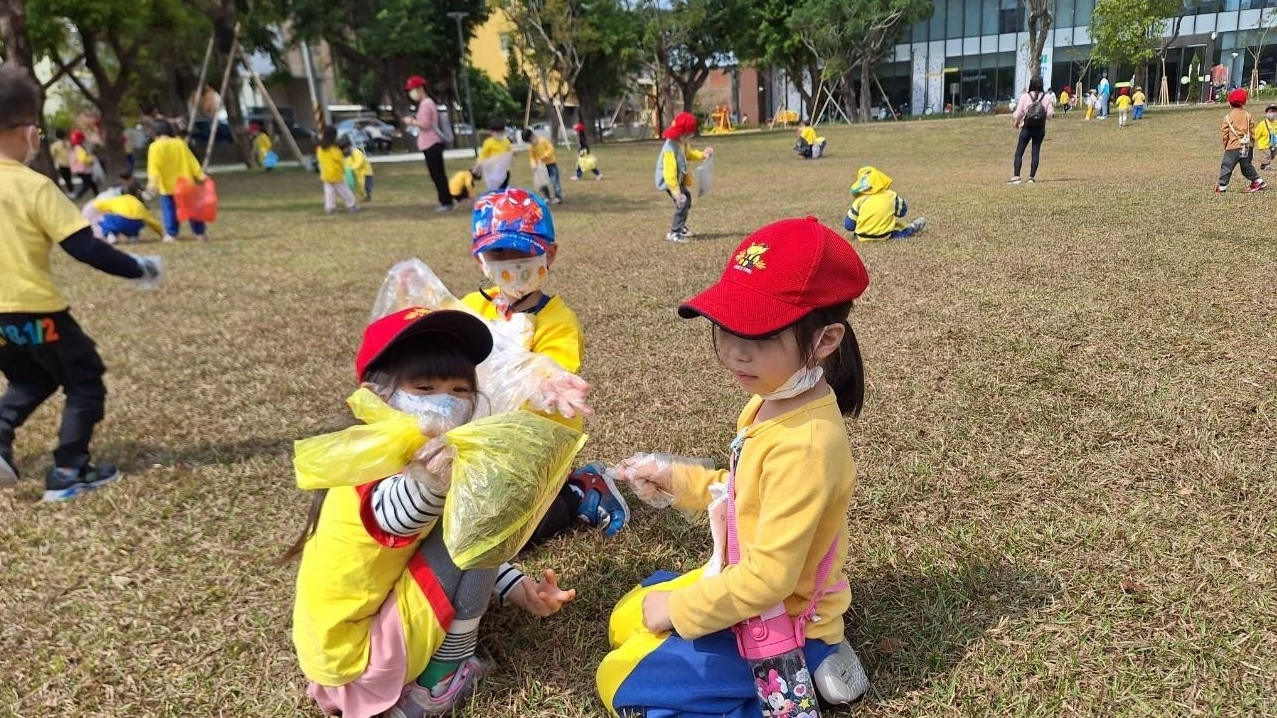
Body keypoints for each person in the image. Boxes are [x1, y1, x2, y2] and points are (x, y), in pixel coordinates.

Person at [597, 216, 873, 718]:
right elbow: (745, 492)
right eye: (726, 327)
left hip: (782, 617)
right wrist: (679, 479)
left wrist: (679, 611)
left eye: (760, 335)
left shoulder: (807, 443)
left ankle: (815, 660)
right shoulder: (772, 398)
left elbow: (769, 579)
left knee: (620, 678)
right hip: (749, 585)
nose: (734, 352)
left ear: (826, 339)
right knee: (627, 617)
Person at [286, 306, 578, 718]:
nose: (446, 402)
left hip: (339, 653)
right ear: (376, 396)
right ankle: (438, 683)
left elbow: (436, 539)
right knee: (480, 523)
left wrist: (515, 588)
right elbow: (407, 519)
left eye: (460, 390)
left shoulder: (368, 450)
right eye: (424, 387)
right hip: (360, 662)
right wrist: (432, 482)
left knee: (472, 524)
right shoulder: (391, 462)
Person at [0, 65, 161, 501]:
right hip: (37, 310)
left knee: (31, 379)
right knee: (84, 379)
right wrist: (139, 268)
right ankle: (70, 469)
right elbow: (85, 247)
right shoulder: (34, 187)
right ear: (28, 131)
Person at [462, 187, 630, 539]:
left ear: (548, 254)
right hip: (483, 442)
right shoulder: (468, 308)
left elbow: (550, 368)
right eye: (498, 253)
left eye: (522, 251)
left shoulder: (557, 319)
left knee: (503, 533)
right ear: (479, 259)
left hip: (535, 446)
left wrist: (546, 380)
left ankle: (578, 491)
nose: (511, 263)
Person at [655, 111, 713, 243]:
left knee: (687, 200)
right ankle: (674, 233)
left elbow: (689, 154)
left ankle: (681, 227)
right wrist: (675, 192)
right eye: (688, 135)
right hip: (670, 181)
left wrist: (702, 155)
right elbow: (669, 173)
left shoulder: (681, 143)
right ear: (683, 134)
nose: (689, 138)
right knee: (683, 201)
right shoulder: (670, 148)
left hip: (678, 179)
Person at [146, 119, 208, 242]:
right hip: (185, 184)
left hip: (167, 187)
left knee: (169, 211)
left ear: (155, 133)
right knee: (193, 209)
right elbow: (192, 161)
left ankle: (171, 234)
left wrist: (153, 184)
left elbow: (154, 168)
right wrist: (201, 175)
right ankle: (200, 233)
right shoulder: (180, 143)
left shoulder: (154, 147)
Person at [401, 76, 454, 213]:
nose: (411, 93)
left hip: (432, 143)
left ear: (420, 89)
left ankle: (446, 201)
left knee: (437, 174)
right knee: (437, 173)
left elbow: (425, 124)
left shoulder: (426, 103)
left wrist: (411, 121)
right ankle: (445, 200)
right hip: (431, 143)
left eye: (412, 90)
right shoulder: (428, 103)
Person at [844, 166, 927, 241]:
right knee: (900, 227)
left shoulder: (859, 200)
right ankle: (912, 227)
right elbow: (902, 212)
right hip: (885, 236)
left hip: (862, 237)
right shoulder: (891, 195)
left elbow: (849, 225)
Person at [1216, 89, 1268, 194]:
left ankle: (1222, 187)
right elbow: (1253, 132)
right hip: (1247, 146)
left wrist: (1226, 145)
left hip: (1233, 147)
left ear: (1230, 103)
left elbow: (1225, 134)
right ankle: (1258, 181)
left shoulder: (1228, 117)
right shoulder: (1248, 115)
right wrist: (1252, 145)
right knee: (1246, 166)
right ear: (1243, 103)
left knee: (1227, 166)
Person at [1007, 76, 1055, 186]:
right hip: (1040, 128)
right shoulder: (1047, 97)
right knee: (1035, 152)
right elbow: (1049, 115)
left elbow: (1018, 113)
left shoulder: (1025, 96)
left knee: (1019, 152)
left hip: (1027, 128)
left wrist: (1016, 122)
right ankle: (1031, 177)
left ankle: (1016, 177)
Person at [91, 187, 163, 244]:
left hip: (122, 222)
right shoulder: (139, 203)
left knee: (107, 217)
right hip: (137, 224)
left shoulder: (118, 199)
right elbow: (152, 222)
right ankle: (133, 236)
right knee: (139, 221)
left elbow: (97, 204)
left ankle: (111, 235)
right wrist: (161, 233)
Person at [317, 126, 359, 213]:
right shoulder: (334, 149)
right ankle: (351, 205)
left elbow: (320, 159)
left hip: (326, 173)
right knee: (344, 190)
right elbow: (339, 159)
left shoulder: (320, 148)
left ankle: (330, 207)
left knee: (329, 191)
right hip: (336, 173)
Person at [522, 128, 562, 204]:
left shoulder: (543, 140)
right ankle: (547, 196)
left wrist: (545, 155)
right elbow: (532, 157)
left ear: (533, 135)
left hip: (551, 163)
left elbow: (550, 149)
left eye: (530, 140)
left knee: (555, 180)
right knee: (542, 182)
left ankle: (558, 197)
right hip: (540, 166)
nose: (531, 142)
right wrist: (533, 164)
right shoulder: (532, 147)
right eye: (529, 142)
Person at [474, 123, 514, 191]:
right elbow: (482, 156)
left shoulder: (506, 141)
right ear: (491, 132)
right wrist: (477, 166)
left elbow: (510, 151)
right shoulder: (488, 142)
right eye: (497, 132)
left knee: (503, 190)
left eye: (501, 132)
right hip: (493, 172)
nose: (499, 134)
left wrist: (513, 153)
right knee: (495, 190)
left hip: (505, 171)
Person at [342, 135, 375, 202]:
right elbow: (347, 163)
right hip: (358, 173)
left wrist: (350, 168)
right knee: (360, 186)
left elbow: (359, 163)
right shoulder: (348, 155)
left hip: (366, 172)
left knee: (367, 186)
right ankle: (364, 197)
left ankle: (368, 196)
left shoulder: (357, 152)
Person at [68, 129, 98, 199]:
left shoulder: (74, 148)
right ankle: (78, 195)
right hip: (83, 169)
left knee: (91, 182)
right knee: (87, 184)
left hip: (79, 169)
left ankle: (97, 194)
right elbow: (83, 159)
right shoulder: (79, 148)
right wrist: (92, 158)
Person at [1257, 104, 1277, 171]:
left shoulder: (1276, 123)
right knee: (1267, 155)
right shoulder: (1262, 123)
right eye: (1271, 111)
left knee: (1273, 155)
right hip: (1264, 144)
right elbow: (1256, 133)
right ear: (1267, 113)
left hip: (1274, 144)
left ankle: (1263, 164)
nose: (1273, 113)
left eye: (1274, 111)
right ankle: (1267, 166)